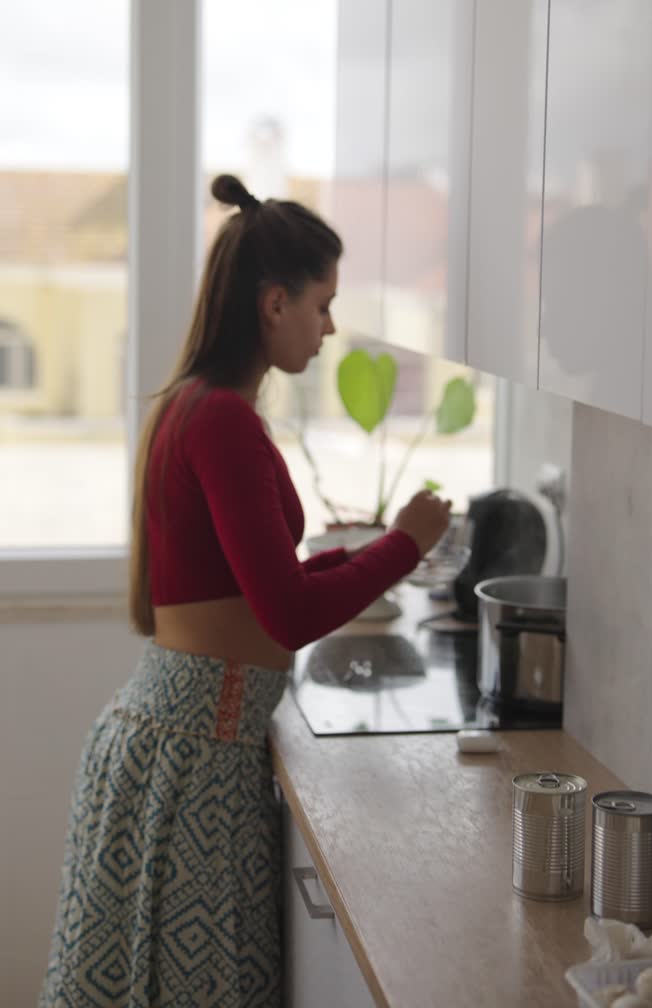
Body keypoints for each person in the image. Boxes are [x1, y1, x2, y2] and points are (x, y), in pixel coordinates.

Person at [40, 173, 450, 1008]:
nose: (330, 326)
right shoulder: (221, 419)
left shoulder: (199, 406)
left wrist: (366, 553)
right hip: (196, 755)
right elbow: (288, 614)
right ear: (274, 303)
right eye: (323, 303)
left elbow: (267, 581)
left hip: (183, 737)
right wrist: (407, 544)